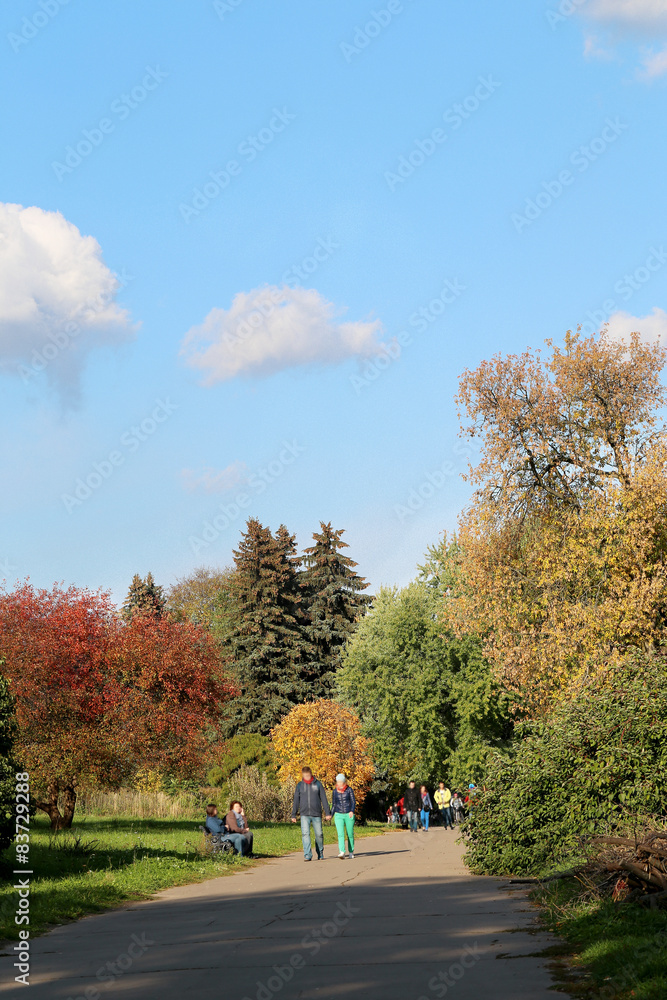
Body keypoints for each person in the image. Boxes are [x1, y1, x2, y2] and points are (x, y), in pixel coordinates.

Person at [291, 766, 331, 861]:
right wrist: (294, 814)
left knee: (319, 834)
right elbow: (296, 800)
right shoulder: (300, 785)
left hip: (316, 813)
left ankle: (320, 852)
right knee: (305, 834)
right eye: (305, 776)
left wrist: (327, 813)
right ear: (302, 775)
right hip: (304, 814)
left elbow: (324, 799)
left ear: (311, 774)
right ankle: (307, 855)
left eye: (308, 775)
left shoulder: (318, 784)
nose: (307, 777)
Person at [330, 772, 356, 859]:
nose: (340, 783)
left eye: (341, 782)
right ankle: (342, 852)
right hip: (338, 814)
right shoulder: (334, 792)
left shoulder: (349, 790)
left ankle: (351, 851)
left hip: (348, 814)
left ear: (344, 782)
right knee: (340, 834)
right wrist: (331, 814)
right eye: (338, 782)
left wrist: (352, 811)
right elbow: (334, 804)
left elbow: (353, 801)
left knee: (350, 834)